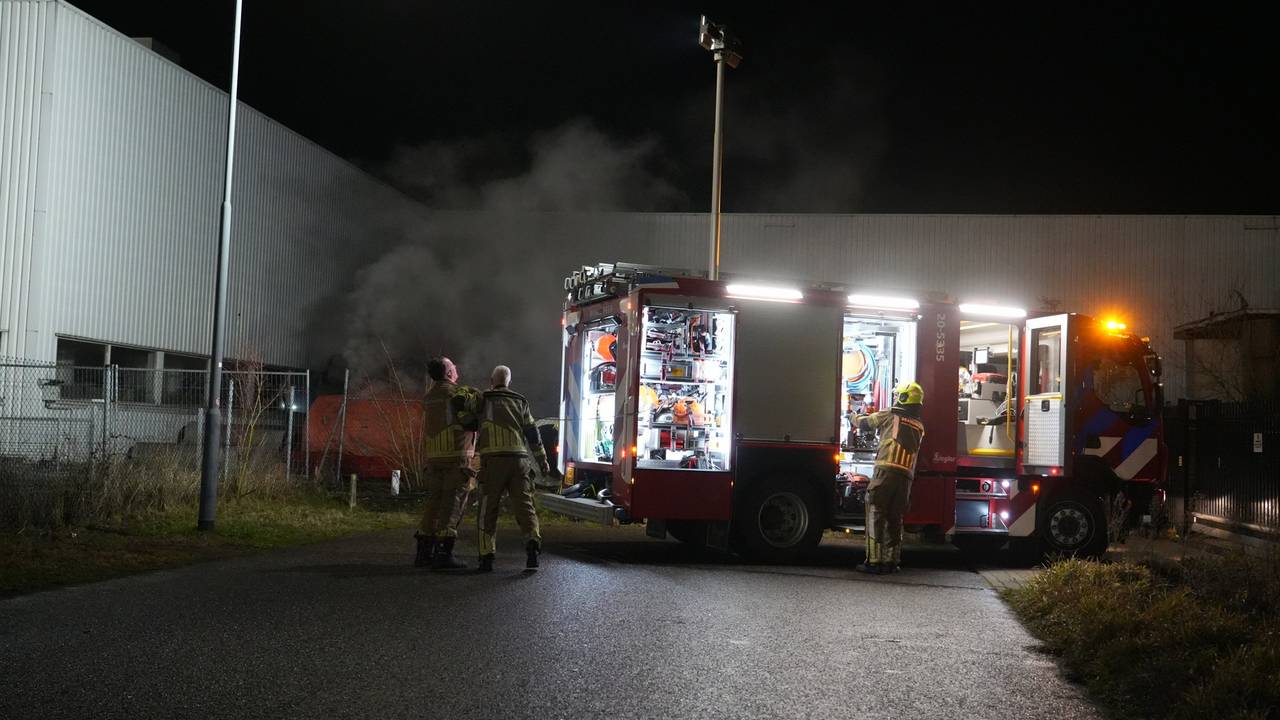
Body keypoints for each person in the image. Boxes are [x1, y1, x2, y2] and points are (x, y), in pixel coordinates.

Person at [475, 365, 550, 572]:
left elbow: (468, 422)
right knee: (525, 506)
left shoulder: (483, 399)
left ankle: (486, 556)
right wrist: (542, 461)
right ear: (509, 381)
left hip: (493, 462)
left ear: (492, 380)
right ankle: (532, 546)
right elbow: (533, 434)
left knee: (488, 509)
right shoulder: (520, 401)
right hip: (519, 461)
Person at [851, 381, 926, 575]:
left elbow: (866, 423)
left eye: (897, 395)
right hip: (906, 477)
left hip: (886, 472)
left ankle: (874, 562)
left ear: (903, 398)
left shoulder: (891, 414)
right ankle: (892, 562)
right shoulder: (919, 425)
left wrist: (852, 415)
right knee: (895, 518)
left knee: (875, 511)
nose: (895, 399)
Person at [415, 356, 480, 570]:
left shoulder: (429, 397)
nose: (457, 370)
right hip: (457, 458)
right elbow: (471, 419)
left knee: (433, 504)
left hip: (434, 458)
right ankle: (444, 554)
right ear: (448, 373)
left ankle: (423, 553)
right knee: (452, 505)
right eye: (453, 366)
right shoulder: (455, 394)